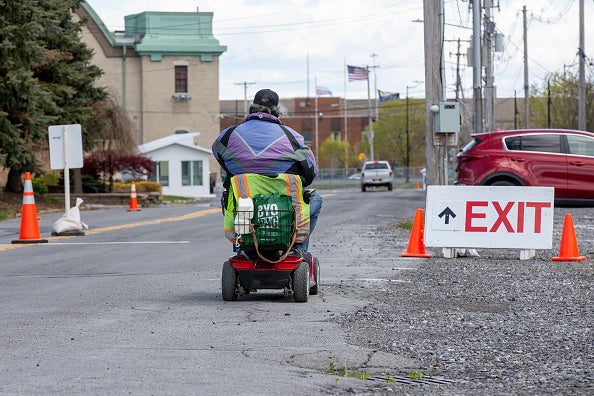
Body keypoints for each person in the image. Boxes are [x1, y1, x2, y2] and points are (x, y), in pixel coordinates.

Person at [212, 88, 322, 254]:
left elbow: (220, 156)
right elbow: (310, 173)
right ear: (278, 112)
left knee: (229, 196)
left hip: (245, 203)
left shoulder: (228, 136)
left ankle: (242, 245)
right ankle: (296, 249)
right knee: (316, 199)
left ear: (251, 109)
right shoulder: (292, 138)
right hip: (284, 208)